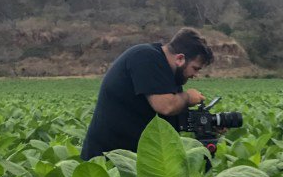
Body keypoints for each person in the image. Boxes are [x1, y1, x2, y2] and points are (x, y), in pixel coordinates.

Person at [80, 28, 214, 160]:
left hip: (132, 159)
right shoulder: (145, 57)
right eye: (195, 68)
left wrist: (207, 123)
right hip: (107, 159)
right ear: (180, 58)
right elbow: (166, 106)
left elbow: (171, 118)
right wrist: (188, 97)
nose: (195, 75)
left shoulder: (171, 74)